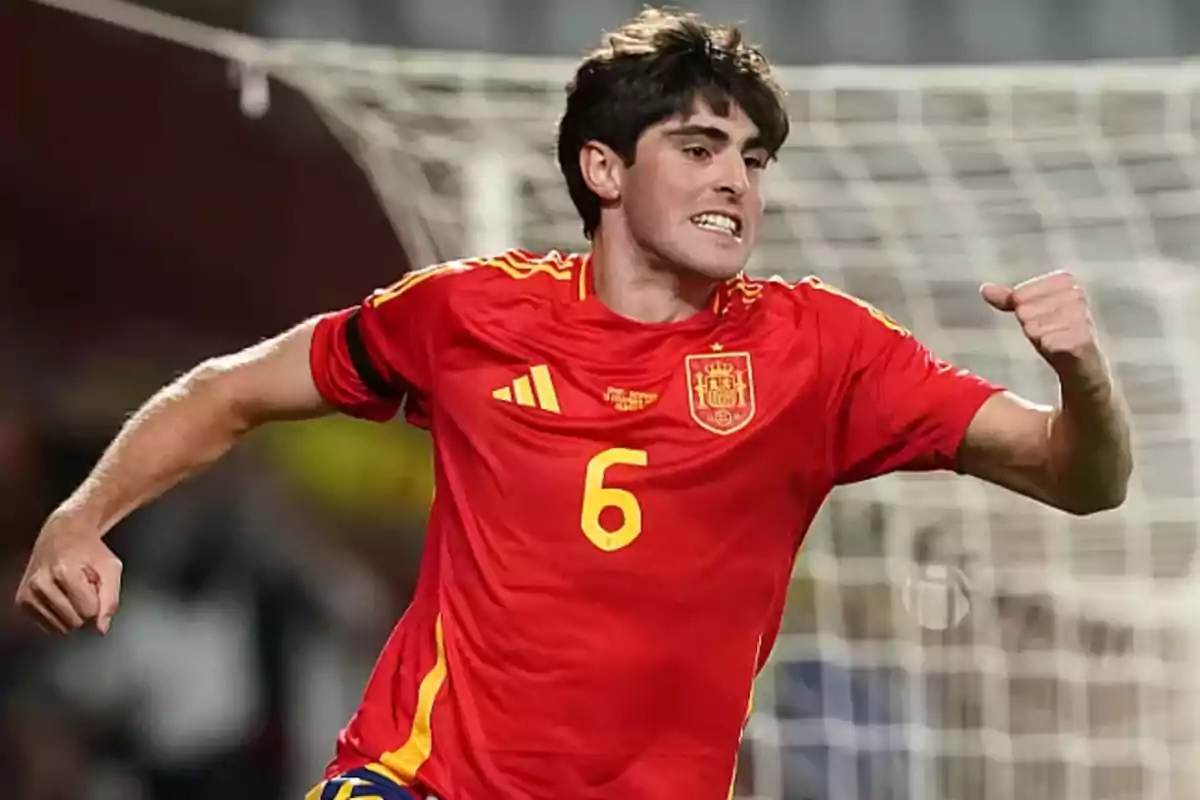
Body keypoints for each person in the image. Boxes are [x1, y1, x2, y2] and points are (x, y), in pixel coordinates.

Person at [14, 8, 1132, 800]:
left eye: (752, 156)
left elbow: (1074, 477)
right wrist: (80, 515)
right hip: (418, 780)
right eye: (699, 148)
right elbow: (226, 391)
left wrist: (1080, 375)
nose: (736, 179)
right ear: (603, 169)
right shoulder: (468, 316)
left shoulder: (820, 346)